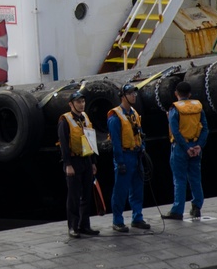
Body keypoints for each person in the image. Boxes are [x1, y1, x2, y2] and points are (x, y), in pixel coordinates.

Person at [106, 84, 150, 232]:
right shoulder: (115, 117)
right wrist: (120, 162)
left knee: (137, 189)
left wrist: (142, 148)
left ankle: (137, 217)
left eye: (134, 93)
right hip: (124, 156)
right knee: (120, 190)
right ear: (123, 96)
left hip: (136, 155)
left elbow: (140, 133)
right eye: (130, 93)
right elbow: (116, 141)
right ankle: (117, 220)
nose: (134, 96)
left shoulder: (134, 114)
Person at [162, 81, 208, 220]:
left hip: (181, 149)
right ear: (190, 94)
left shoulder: (175, 109)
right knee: (195, 178)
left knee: (179, 179)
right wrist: (199, 145)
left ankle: (177, 210)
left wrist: (186, 148)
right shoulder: (198, 107)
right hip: (196, 146)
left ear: (176, 93)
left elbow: (175, 132)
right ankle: (197, 207)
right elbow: (205, 128)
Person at [57, 90, 99, 238]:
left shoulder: (85, 118)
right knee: (74, 196)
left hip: (86, 159)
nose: (81, 105)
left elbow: (90, 140)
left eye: (82, 102)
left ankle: (84, 225)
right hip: (73, 161)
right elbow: (63, 144)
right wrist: (67, 164)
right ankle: (73, 227)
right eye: (78, 102)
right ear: (71, 104)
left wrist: (93, 162)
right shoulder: (65, 121)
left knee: (87, 195)